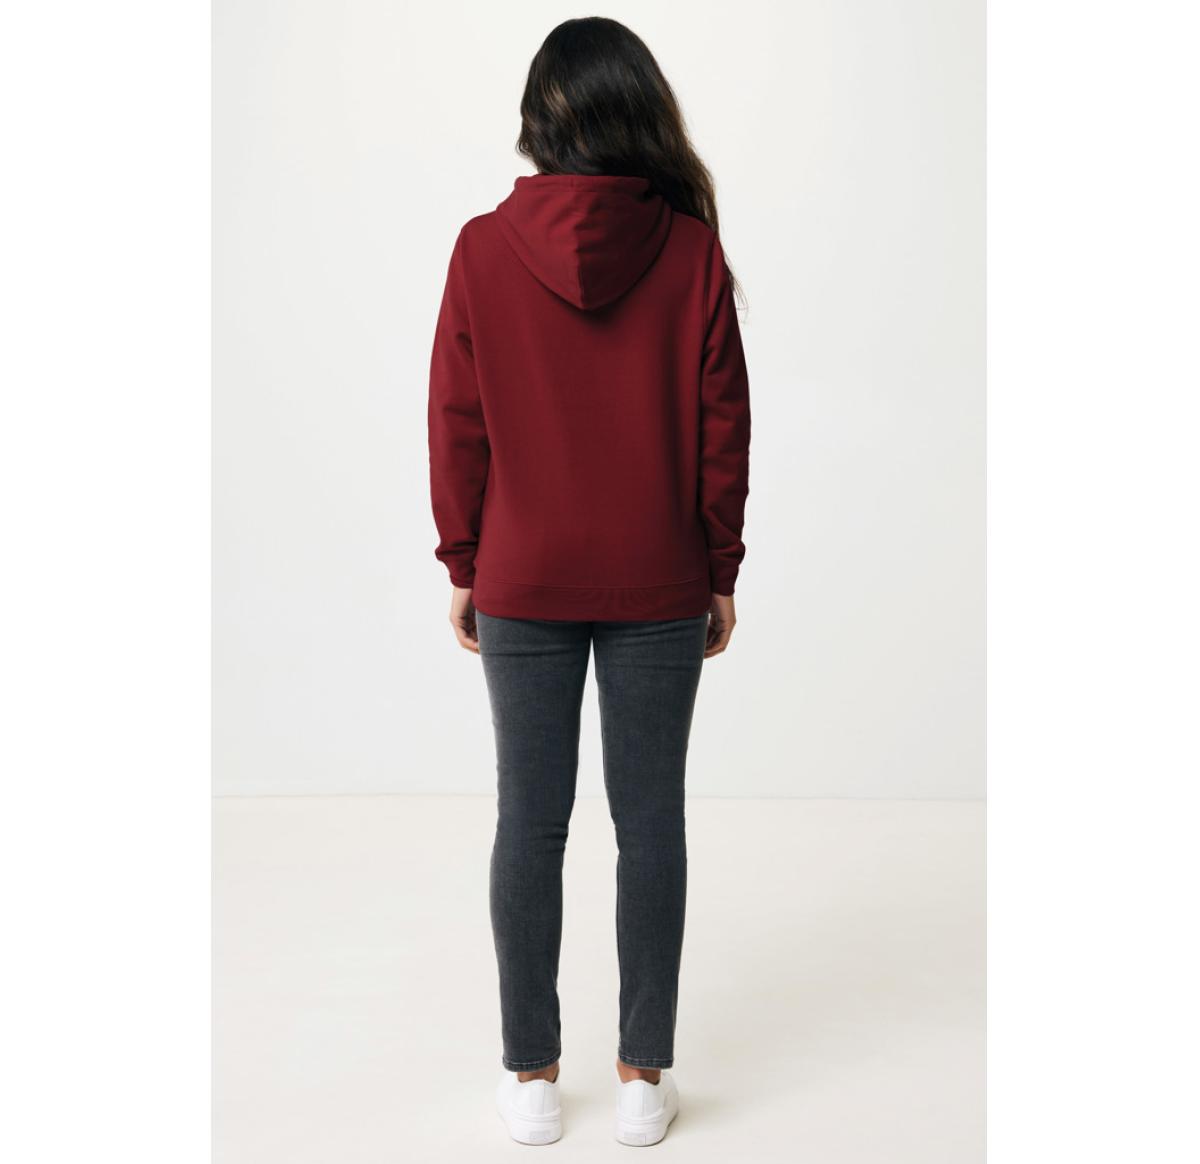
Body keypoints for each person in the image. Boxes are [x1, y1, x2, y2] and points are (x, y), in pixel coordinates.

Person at [428, 16, 751, 1147]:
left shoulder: (481, 249)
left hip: (522, 576)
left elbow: (456, 422)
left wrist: (466, 562)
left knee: (531, 822)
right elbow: (724, 430)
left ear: (541, 121)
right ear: (640, 112)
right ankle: (642, 1078)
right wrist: (718, 567)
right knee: (650, 824)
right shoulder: (690, 252)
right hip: (660, 577)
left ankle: (531, 1076)